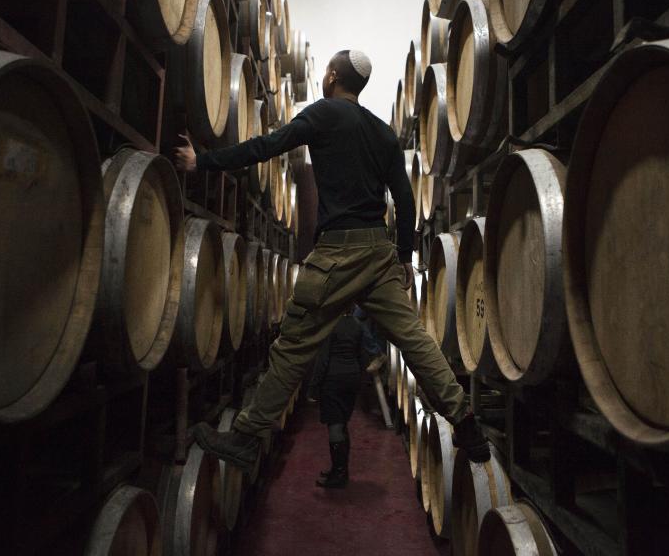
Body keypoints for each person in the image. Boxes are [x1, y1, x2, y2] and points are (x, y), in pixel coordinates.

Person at [175, 49, 489, 472]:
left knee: (293, 347)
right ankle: (464, 420)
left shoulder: (323, 114)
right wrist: (399, 257)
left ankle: (247, 438)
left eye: (326, 70)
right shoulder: (383, 133)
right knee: (415, 339)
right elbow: (406, 201)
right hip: (378, 252)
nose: (323, 75)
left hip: (335, 253)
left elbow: (266, 147)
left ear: (335, 76)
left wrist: (203, 162)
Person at [308, 308, 367, 488]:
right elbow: (363, 356)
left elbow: (323, 359)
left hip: (333, 379)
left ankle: (339, 476)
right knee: (342, 423)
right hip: (352, 376)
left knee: (334, 425)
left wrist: (313, 387)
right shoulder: (357, 325)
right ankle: (339, 470)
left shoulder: (330, 326)